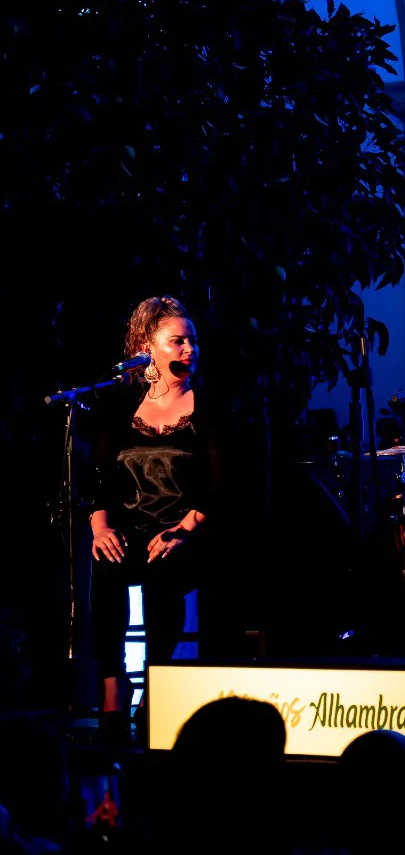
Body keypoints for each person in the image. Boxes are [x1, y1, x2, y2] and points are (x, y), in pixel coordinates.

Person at [88, 296, 221, 740]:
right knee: (105, 566)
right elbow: (97, 478)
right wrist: (101, 527)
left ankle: (155, 685)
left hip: (187, 528)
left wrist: (184, 530)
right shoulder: (119, 407)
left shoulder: (209, 406)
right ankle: (112, 687)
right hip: (127, 525)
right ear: (149, 347)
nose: (189, 350)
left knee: (165, 572)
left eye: (193, 341)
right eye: (177, 341)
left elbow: (221, 486)